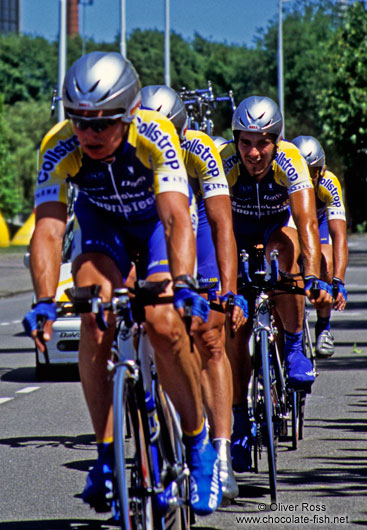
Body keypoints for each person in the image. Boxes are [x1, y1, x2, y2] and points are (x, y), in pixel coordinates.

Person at [22, 51, 222, 516]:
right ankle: (107, 456)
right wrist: (45, 301)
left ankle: (198, 444)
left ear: (130, 113)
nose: (89, 133)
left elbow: (175, 218)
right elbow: (49, 230)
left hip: (152, 224)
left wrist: (185, 283)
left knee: (164, 320)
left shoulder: (156, 135)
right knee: (94, 319)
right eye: (80, 121)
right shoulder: (58, 145)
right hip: (102, 227)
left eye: (103, 122)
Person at [140, 85, 248, 502]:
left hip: (197, 215)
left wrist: (229, 291)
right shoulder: (129, 147)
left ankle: (220, 453)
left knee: (208, 333)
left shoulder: (200, 150)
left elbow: (222, 225)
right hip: (150, 217)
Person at [218, 96, 332, 472]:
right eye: (246, 141)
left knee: (286, 250)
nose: (253, 152)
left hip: (275, 228)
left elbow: (308, 223)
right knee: (234, 329)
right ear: (236, 139)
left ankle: (296, 344)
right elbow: (213, 226)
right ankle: (238, 422)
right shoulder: (225, 161)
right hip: (235, 232)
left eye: (263, 141)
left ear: (277, 140)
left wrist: (313, 275)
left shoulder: (290, 160)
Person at [291, 135, 348, 356]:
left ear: (321, 171)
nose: (308, 178)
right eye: (302, 171)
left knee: (325, 261)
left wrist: (339, 281)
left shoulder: (328, 183)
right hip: (291, 218)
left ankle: (323, 326)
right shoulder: (283, 178)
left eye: (313, 172)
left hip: (319, 221)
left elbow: (339, 235)